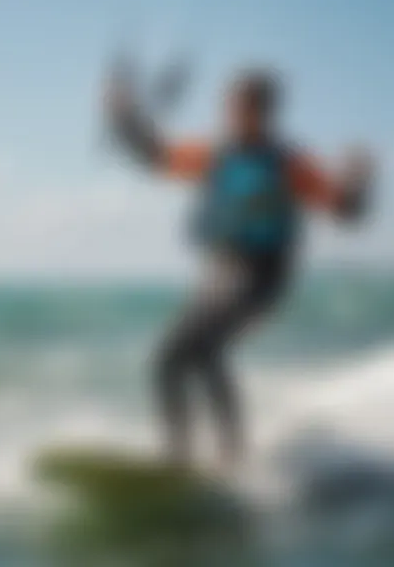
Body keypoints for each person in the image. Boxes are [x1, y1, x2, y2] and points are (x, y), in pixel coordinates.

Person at [104, 66, 374, 467]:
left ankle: (218, 453)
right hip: (221, 274)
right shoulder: (216, 155)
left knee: (197, 351)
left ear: (266, 112)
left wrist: (358, 181)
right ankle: (190, 454)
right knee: (171, 360)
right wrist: (124, 116)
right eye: (230, 106)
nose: (233, 114)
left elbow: (346, 211)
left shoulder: (288, 164)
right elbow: (154, 156)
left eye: (244, 107)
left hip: (264, 276)